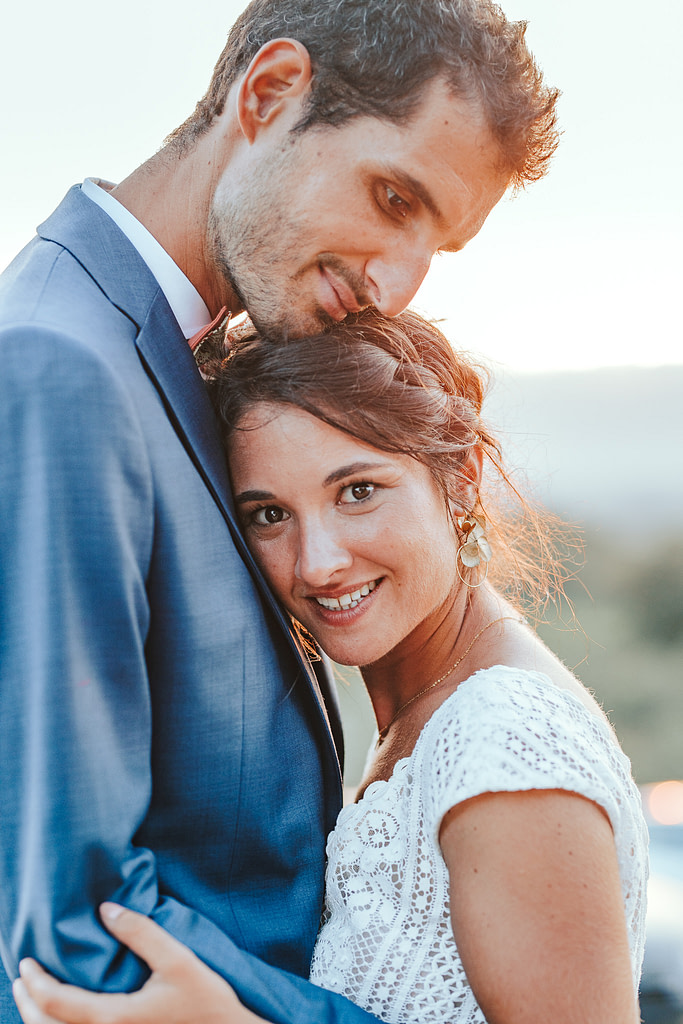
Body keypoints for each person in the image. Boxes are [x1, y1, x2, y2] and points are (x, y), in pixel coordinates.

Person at [0, 0, 560, 1021]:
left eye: (435, 241)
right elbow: (71, 939)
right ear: (268, 94)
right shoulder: (62, 364)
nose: (394, 282)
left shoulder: (172, 357)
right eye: (392, 196)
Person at [14, 309, 648, 1024]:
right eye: (267, 514)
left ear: (463, 479)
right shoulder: (418, 716)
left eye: (356, 492)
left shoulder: (502, 740)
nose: (316, 562)